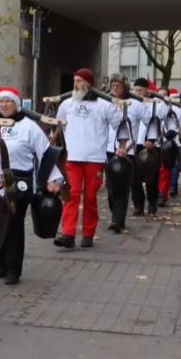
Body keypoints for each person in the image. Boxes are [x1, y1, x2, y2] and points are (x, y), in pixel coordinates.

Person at [0, 87, 62, 285]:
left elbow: (45, 153)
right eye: (1, 102)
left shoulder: (29, 126)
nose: (4, 105)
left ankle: (13, 269)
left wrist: (52, 180)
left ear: (16, 103)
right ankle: (0, 263)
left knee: (14, 225)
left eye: (8, 101)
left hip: (20, 182)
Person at [53, 68, 120, 248]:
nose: (76, 84)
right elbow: (58, 126)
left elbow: (118, 124)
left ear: (89, 84)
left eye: (80, 81)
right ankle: (68, 233)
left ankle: (88, 233)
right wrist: (52, 143)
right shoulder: (67, 104)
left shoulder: (104, 105)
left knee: (90, 197)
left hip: (95, 158)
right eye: (75, 81)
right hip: (73, 157)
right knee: (70, 195)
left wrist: (118, 106)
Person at [105, 75, 148, 232]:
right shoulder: (106, 102)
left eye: (118, 85)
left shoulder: (136, 104)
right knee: (111, 188)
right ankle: (115, 214)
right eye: (113, 85)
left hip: (127, 151)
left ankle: (118, 220)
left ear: (125, 87)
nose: (115, 88)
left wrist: (149, 139)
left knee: (123, 187)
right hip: (109, 149)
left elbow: (149, 121)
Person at [133, 78, 164, 216]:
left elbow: (155, 122)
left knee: (151, 177)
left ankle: (152, 202)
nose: (137, 92)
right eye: (135, 90)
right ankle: (138, 205)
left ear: (147, 90)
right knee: (135, 178)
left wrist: (151, 139)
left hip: (151, 144)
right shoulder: (132, 103)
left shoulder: (155, 104)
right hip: (135, 144)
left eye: (140, 90)